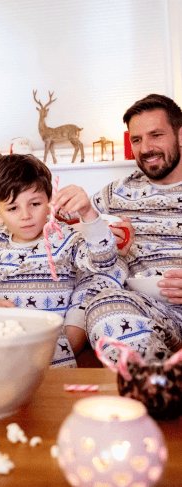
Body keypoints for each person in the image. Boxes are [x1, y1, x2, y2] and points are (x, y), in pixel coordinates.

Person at [53, 93, 182, 363]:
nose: (146, 148)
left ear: (180, 135)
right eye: (137, 139)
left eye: (156, 135)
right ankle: (155, 391)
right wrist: (72, 206)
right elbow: (66, 222)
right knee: (103, 305)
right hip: (148, 312)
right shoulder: (118, 192)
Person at [0, 153, 127, 367]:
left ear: (49, 201)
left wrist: (87, 213)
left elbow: (103, 260)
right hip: (3, 339)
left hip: (52, 343)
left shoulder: (64, 237)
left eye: (35, 204)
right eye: (12, 208)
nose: (25, 215)